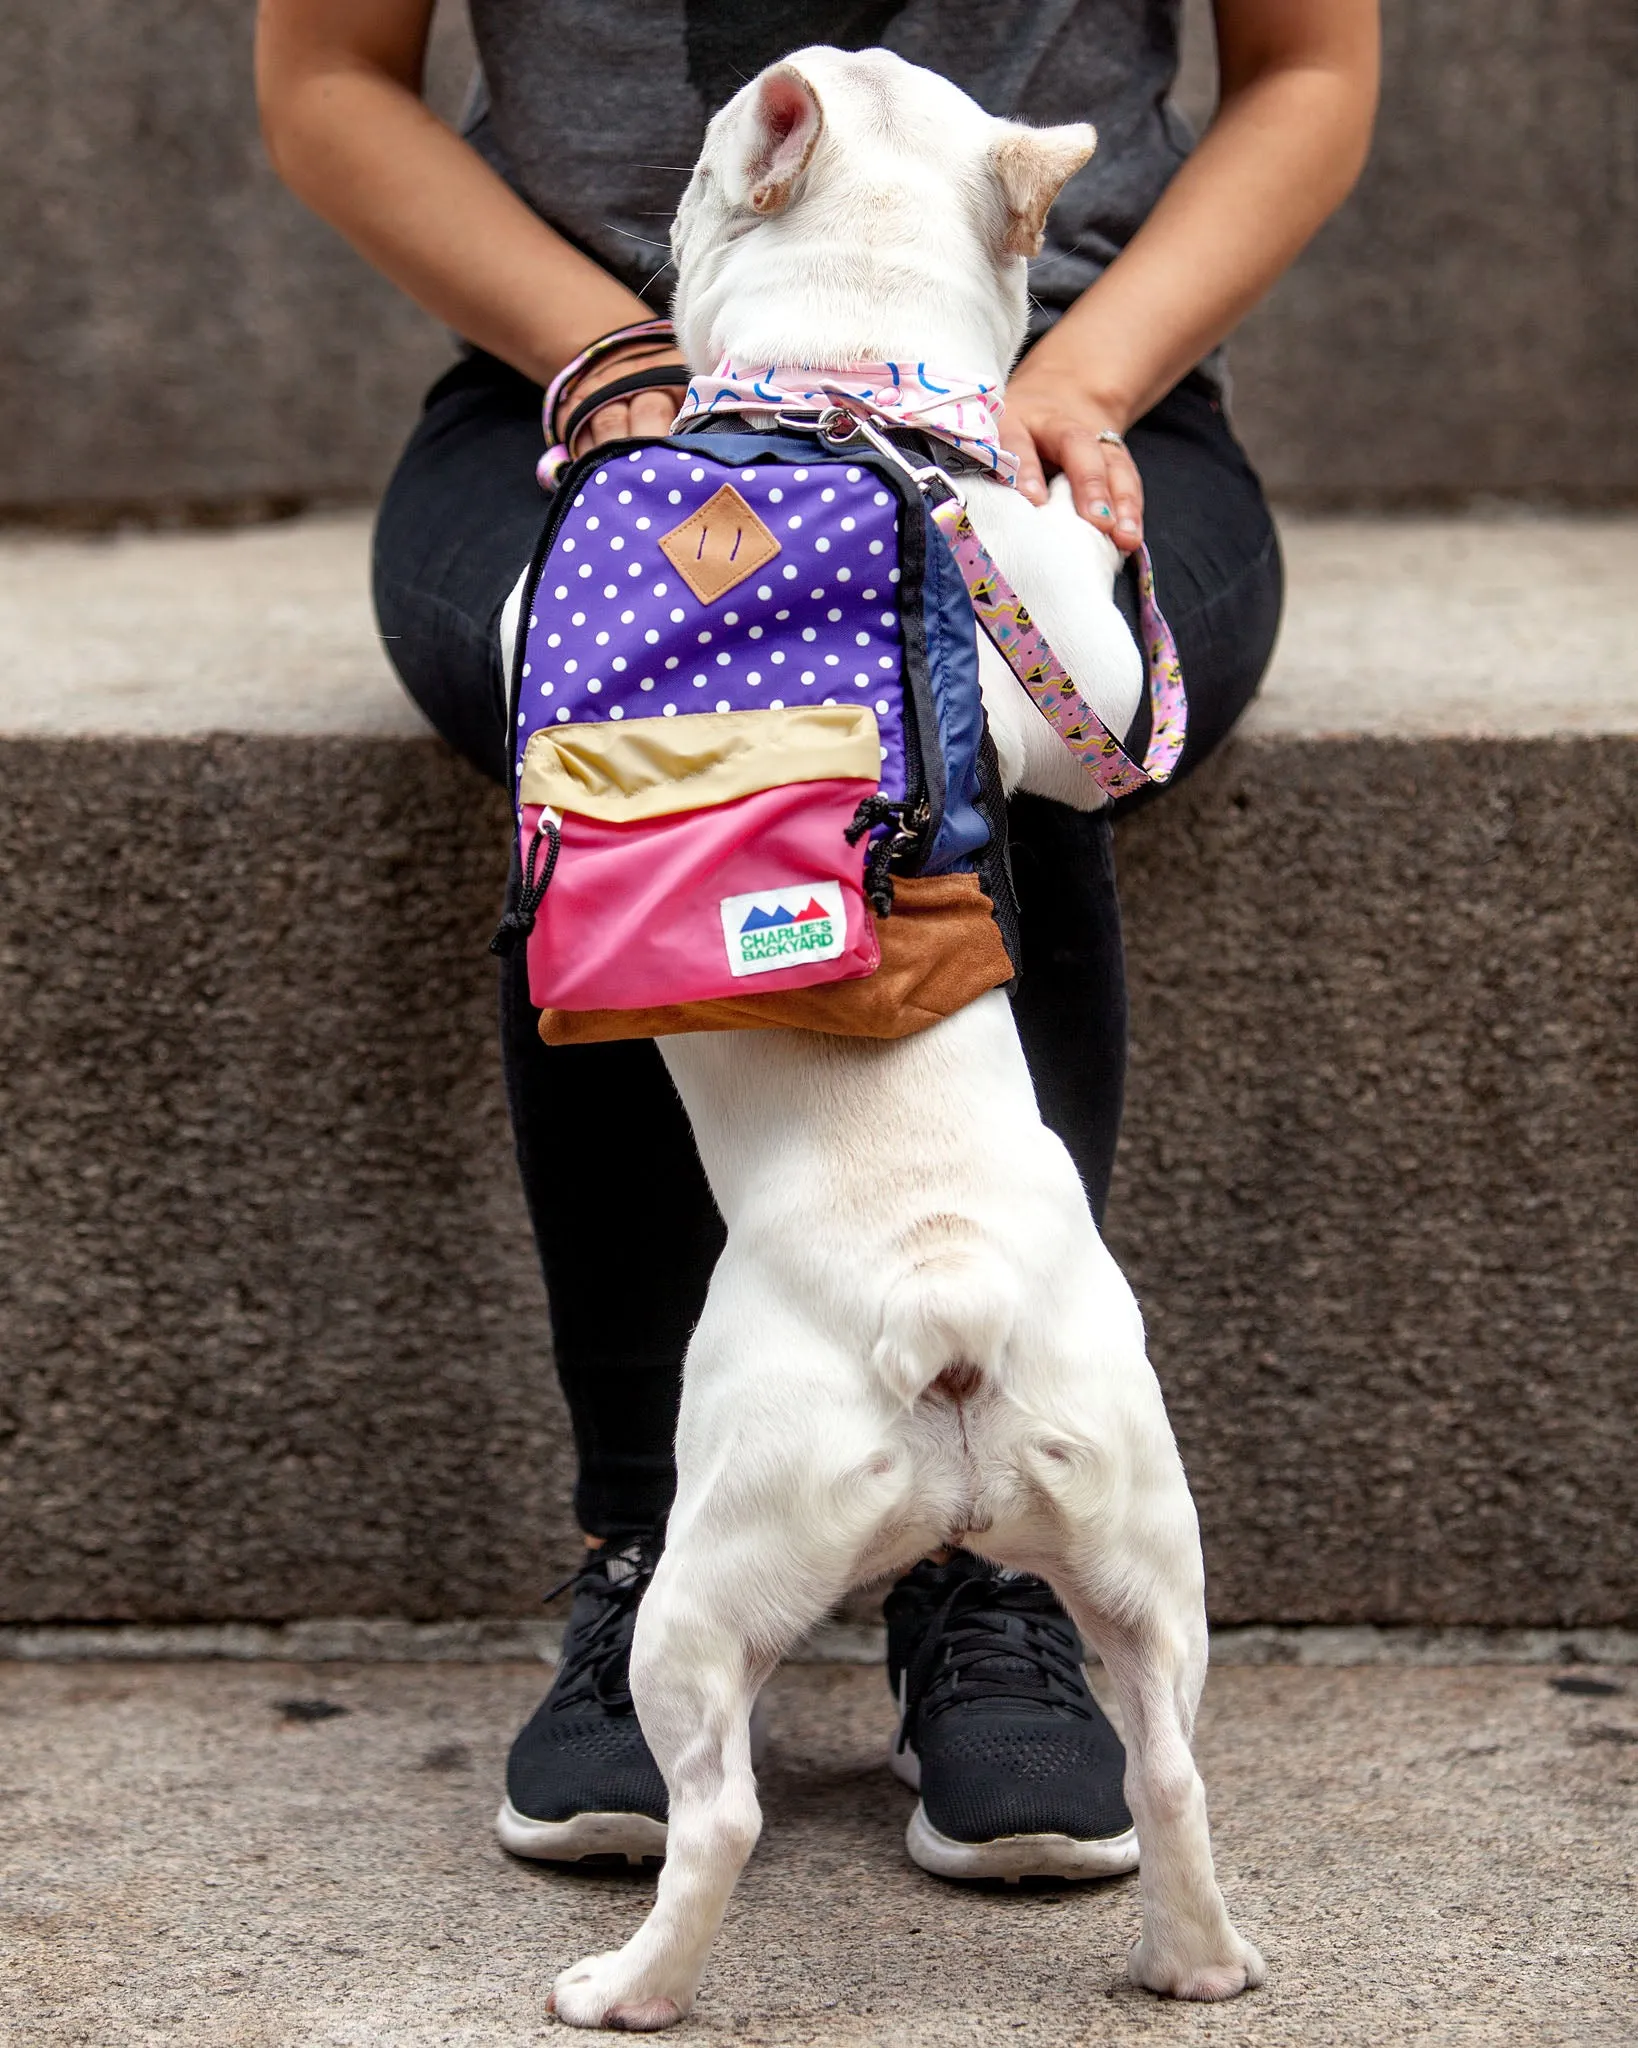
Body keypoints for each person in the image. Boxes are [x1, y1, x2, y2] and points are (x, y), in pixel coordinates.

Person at [256, 0, 1379, 1880]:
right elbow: (323, 87)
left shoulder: (1067, 364)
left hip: (1081, 385)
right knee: (678, 694)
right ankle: (652, 1538)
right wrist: (618, 354)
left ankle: (990, 1543)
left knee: (930, 669)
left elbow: (1314, 76)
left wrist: (1072, 383)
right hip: (580, 367)